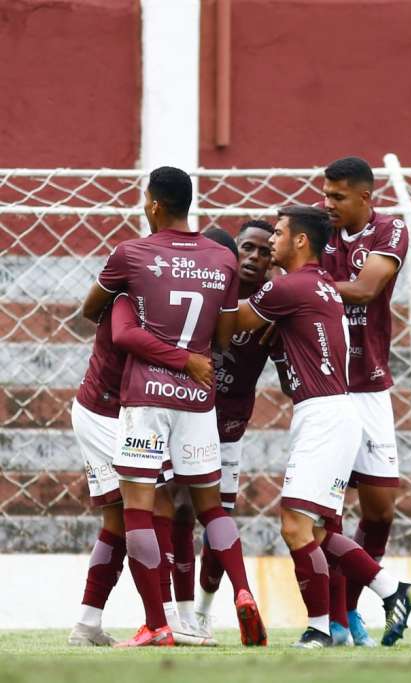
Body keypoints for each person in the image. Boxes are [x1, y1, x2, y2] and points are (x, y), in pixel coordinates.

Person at [81, 166, 266, 648]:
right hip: (199, 398)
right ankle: (244, 592)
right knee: (211, 506)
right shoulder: (221, 259)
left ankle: (156, 624)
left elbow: (91, 309)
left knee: (140, 507)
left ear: (155, 204)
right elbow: (224, 337)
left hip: (146, 398)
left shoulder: (131, 254)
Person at [232, 205, 411, 649]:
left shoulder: (290, 286)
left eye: (277, 234)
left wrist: (200, 287)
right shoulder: (317, 285)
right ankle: (392, 589)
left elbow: (232, 323)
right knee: (317, 533)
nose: (270, 242)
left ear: (299, 241)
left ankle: (320, 629)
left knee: (296, 528)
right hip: (331, 414)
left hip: (323, 418)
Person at [67, 285, 212, 646]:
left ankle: (87, 624)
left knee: (117, 521)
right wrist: (185, 360)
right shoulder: (129, 296)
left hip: (106, 409)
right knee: (156, 502)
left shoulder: (160, 294)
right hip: (108, 413)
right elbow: (124, 335)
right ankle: (164, 620)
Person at [162, 222, 282, 646]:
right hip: (185, 413)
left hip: (228, 425)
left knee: (213, 517)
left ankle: (202, 614)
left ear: (273, 260)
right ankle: (188, 612)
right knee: (187, 512)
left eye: (263, 251)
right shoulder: (208, 289)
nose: (252, 256)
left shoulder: (275, 305)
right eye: (246, 248)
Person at [320, 156, 409, 646]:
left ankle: (350, 608)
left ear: (365, 197)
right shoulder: (316, 231)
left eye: (338, 197)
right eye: (325, 195)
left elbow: (364, 289)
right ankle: (335, 620)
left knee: (379, 512)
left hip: (371, 386)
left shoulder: (388, 231)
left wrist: (306, 290)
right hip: (325, 388)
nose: (328, 204)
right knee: (327, 510)